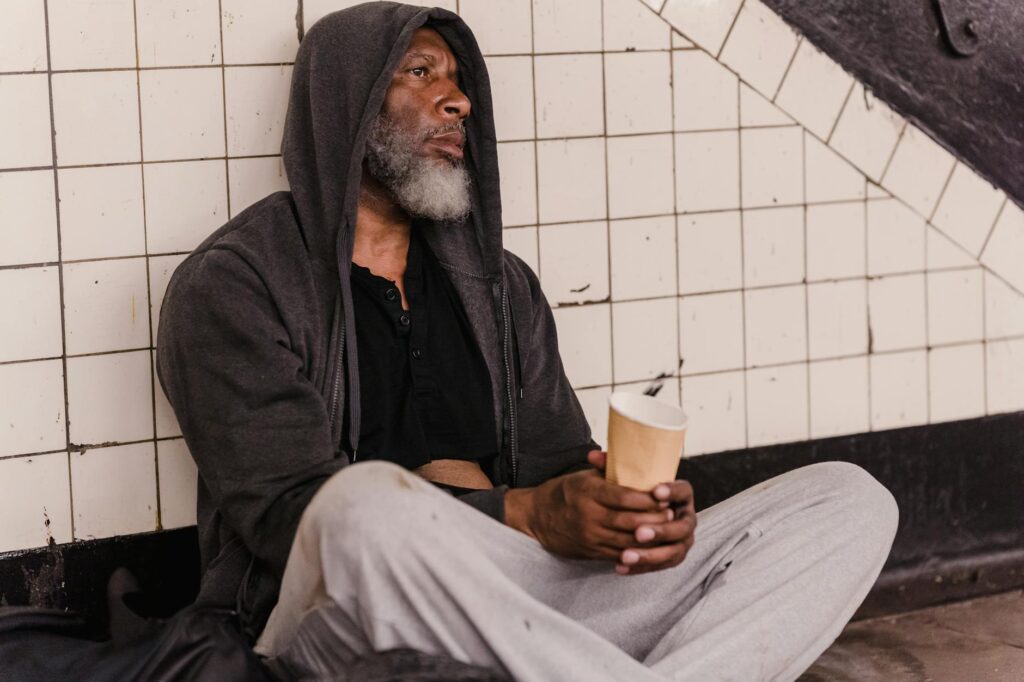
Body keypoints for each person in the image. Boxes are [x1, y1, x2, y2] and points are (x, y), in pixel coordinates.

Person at [156, 3, 898, 680]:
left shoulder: (500, 286)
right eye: (421, 73)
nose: (459, 101)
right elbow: (292, 520)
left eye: (458, 81)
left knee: (848, 500)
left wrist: (622, 513)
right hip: (342, 614)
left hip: (524, 601)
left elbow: (552, 463)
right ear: (347, 103)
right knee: (359, 507)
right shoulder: (233, 287)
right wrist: (527, 512)